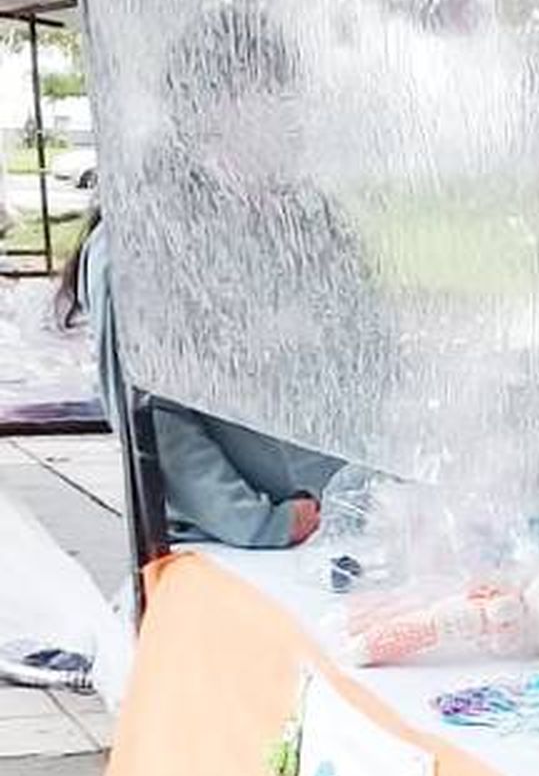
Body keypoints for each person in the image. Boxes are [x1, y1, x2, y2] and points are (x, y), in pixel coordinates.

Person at [66, 211, 337, 548]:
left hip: (335, 512)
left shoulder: (282, 214)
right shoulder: (133, 244)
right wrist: (260, 523)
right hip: (248, 538)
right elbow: (156, 420)